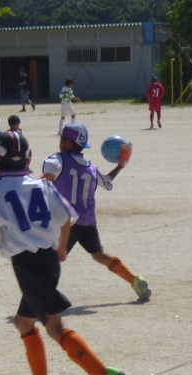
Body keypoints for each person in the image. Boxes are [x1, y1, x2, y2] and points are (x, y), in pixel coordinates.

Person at [0, 129, 125, 375]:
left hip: (26, 264)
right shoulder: (41, 184)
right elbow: (67, 217)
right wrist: (62, 247)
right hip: (48, 259)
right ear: (28, 159)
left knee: (55, 327)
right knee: (23, 322)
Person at [43, 122, 151, 302]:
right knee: (99, 255)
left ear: (68, 143)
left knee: (49, 258)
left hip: (68, 222)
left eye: (62, 139)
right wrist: (121, 165)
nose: (60, 142)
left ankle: (42, 297)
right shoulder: (90, 167)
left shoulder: (58, 159)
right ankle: (135, 280)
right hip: (88, 221)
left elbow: (48, 178)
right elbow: (107, 183)